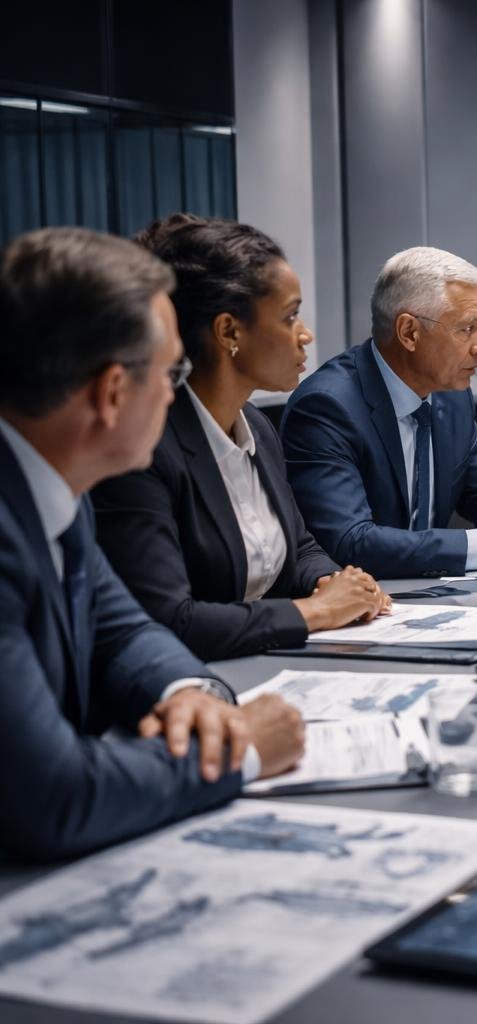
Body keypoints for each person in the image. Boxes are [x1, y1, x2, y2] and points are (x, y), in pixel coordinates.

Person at [0, 227, 304, 861]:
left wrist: (190, 695)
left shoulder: (57, 485)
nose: (175, 393)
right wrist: (240, 749)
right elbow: (52, 797)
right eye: (171, 372)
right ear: (112, 393)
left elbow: (123, 631)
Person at [90, 215, 390, 661]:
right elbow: (170, 620)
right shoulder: (146, 448)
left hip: (272, 662)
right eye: (290, 316)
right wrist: (314, 612)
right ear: (229, 331)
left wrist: (331, 581)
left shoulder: (257, 426)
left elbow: (300, 545)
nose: (306, 334)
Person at [282, 246, 477, 577]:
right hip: (362, 604)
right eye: (466, 328)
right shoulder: (327, 407)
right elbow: (350, 542)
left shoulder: (451, 396)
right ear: (409, 332)